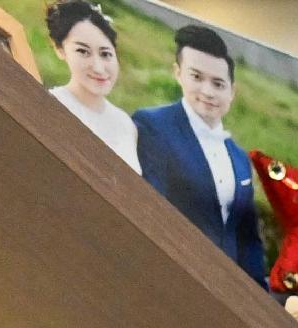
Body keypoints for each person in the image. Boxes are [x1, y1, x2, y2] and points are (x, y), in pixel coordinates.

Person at [131, 20, 263, 280]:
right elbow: (151, 211)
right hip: (173, 280)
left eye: (218, 83)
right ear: (178, 73)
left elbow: (248, 239)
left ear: (232, 92)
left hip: (231, 294)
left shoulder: (239, 157)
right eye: (196, 77)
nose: (207, 91)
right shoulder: (153, 126)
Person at [44, 0, 136, 163]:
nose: (99, 68)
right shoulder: (50, 105)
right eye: (83, 51)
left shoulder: (125, 124)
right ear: (60, 50)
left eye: (105, 54)